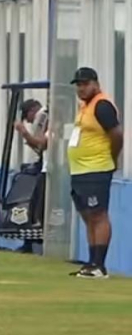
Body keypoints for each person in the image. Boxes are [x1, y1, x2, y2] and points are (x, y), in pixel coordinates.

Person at [67, 67, 124, 278]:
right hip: (80, 171)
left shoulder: (102, 105)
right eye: (78, 85)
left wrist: (112, 157)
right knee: (87, 215)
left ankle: (100, 265)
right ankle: (91, 263)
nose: (81, 89)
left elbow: (117, 134)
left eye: (85, 84)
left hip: (96, 169)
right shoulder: (85, 107)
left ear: (95, 83)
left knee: (98, 214)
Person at [14, 98, 49, 171]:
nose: (28, 121)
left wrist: (24, 133)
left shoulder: (41, 116)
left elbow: (40, 145)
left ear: (32, 110)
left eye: (26, 116)